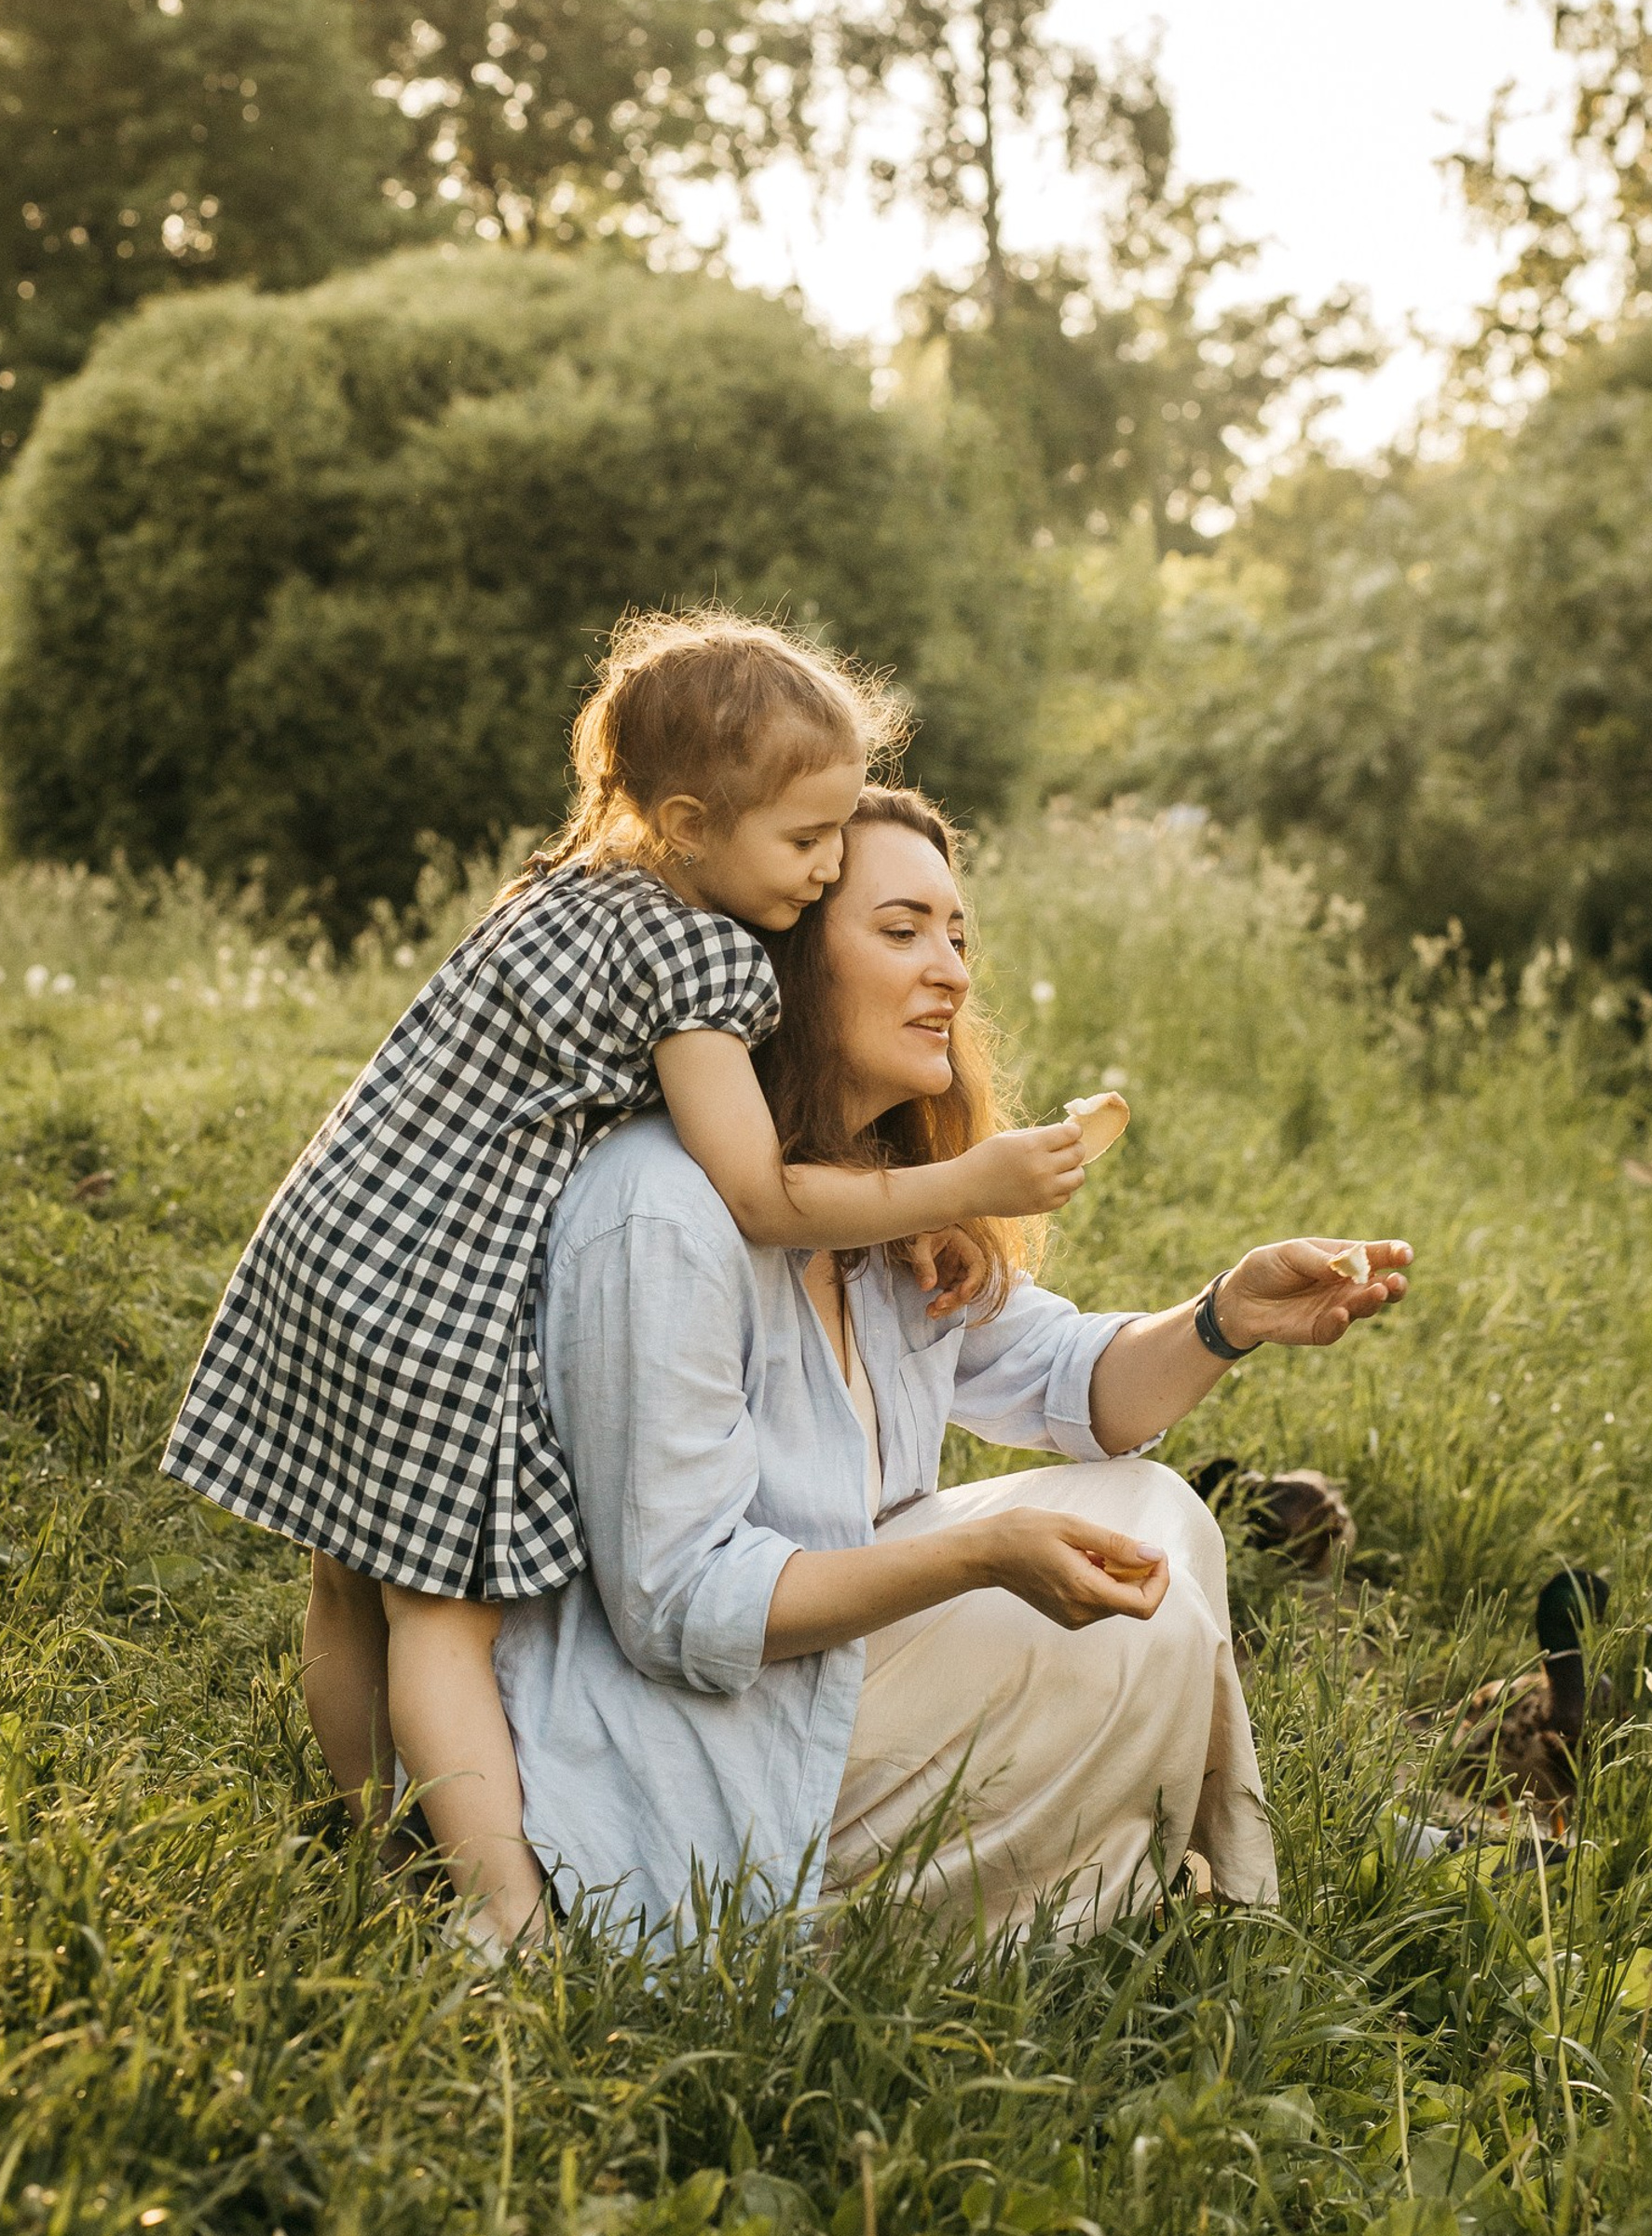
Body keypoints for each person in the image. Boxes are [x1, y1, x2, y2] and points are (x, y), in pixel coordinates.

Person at [161, 615, 1093, 1954]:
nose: (825, 869)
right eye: (807, 842)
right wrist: (965, 1184)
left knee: (344, 1580)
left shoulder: (551, 891)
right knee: (442, 1610)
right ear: (691, 822)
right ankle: (496, 1922)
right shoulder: (698, 958)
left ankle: (374, 1859)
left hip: (334, 1239)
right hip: (439, 1288)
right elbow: (761, 1193)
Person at [496, 787, 1412, 1941]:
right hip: (699, 1735)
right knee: (1151, 1623)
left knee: (1157, 1511)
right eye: (900, 931)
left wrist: (1227, 1315)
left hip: (831, 1667)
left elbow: (1082, 1388)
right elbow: (680, 1608)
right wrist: (979, 1557)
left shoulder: (889, 1198)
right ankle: (1059, 1900)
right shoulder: (663, 1210)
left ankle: (1171, 1863)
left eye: (958, 935)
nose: (952, 973)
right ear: (784, 962)